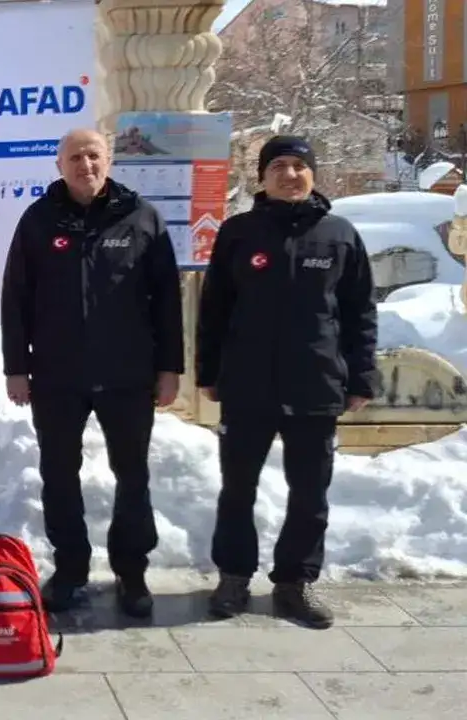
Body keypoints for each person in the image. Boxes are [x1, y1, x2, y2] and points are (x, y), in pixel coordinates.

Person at [0, 127, 183, 619]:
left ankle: (131, 570)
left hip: (128, 372)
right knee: (59, 474)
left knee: (132, 474)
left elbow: (167, 299)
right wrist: (17, 367)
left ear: (109, 160)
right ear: (59, 165)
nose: (85, 165)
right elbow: (15, 299)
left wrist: (170, 368)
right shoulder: (39, 221)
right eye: (75, 157)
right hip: (58, 374)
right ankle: (71, 568)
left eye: (94, 155)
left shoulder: (141, 217)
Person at [196, 135, 378, 629]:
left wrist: (360, 377)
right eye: (279, 165)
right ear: (262, 177)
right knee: (237, 489)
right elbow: (214, 310)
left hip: (315, 385)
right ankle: (233, 577)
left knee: (310, 493)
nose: (290, 174)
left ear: (313, 175)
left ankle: (294, 584)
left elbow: (361, 311)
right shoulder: (238, 233)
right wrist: (209, 373)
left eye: (300, 165)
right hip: (247, 386)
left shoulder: (339, 235)